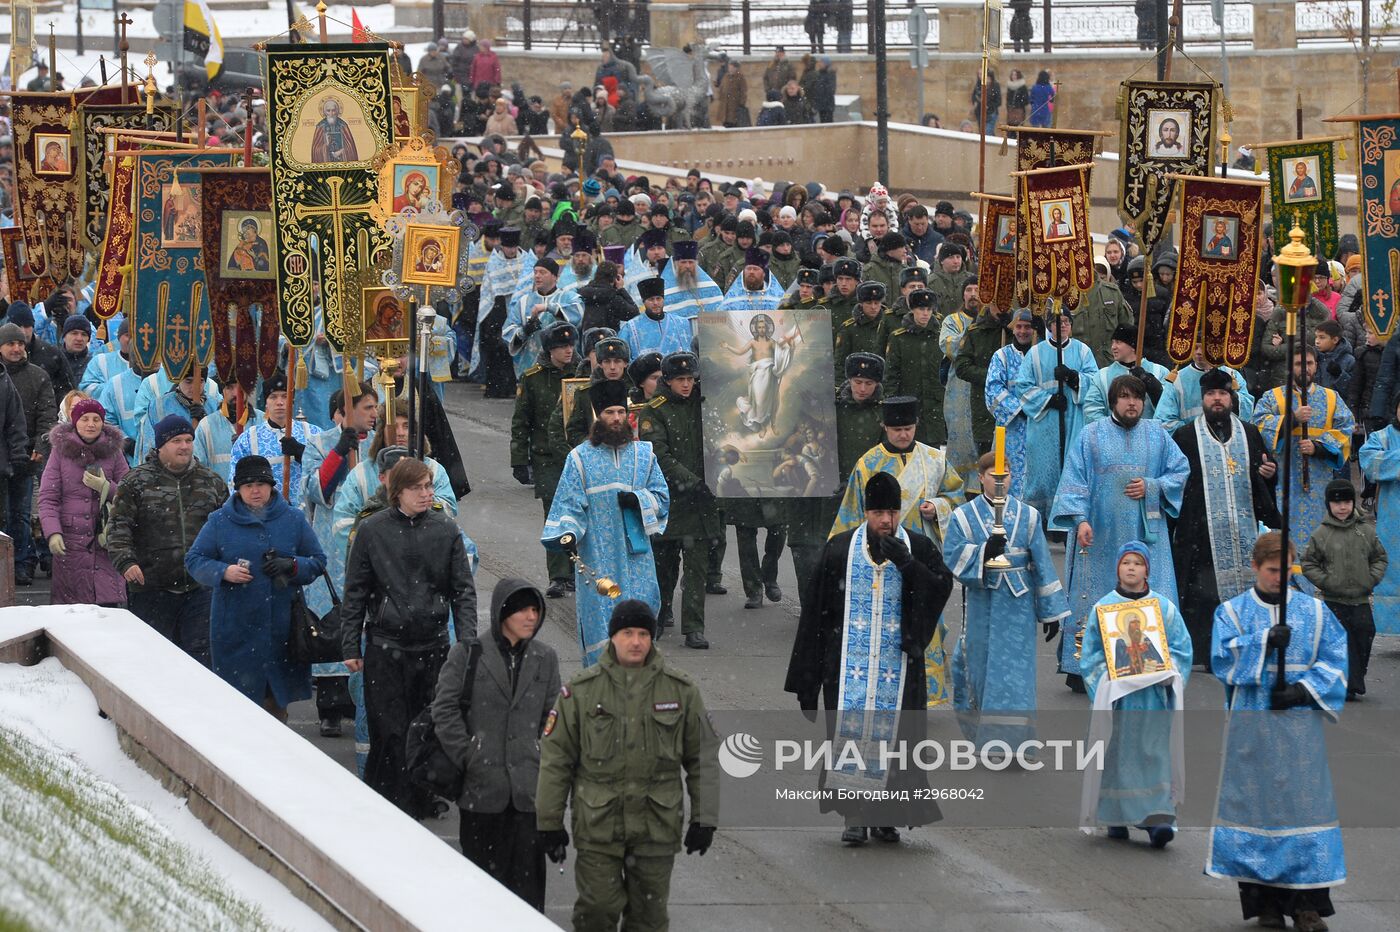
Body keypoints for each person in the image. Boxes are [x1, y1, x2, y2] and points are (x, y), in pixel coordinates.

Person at [786, 471, 954, 844]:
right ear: (866, 511)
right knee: (849, 739)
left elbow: (942, 587)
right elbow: (815, 613)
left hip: (900, 669)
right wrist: (807, 680)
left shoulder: (918, 548)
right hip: (847, 670)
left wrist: (909, 566)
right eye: (878, 512)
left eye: (892, 512)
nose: (886, 521)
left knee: (899, 742)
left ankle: (887, 815)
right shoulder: (841, 550)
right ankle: (855, 816)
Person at [536, 599, 719, 928]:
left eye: (643, 634)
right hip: (598, 825)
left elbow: (702, 757)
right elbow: (556, 758)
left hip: (656, 827)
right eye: (627, 633)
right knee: (596, 910)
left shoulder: (681, 690)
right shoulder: (581, 691)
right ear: (613, 637)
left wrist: (705, 819)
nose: (636, 642)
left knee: (648, 917)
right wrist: (549, 822)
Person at [1207, 531, 1348, 932]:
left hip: (1299, 726)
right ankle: (1264, 903)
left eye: (1286, 570)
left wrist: (1303, 690)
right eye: (1272, 571)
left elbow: (1336, 658)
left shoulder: (1315, 612)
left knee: (1302, 808)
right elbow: (1221, 658)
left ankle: (1308, 907)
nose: (1279, 578)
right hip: (1253, 722)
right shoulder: (1232, 613)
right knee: (1258, 808)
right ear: (1255, 568)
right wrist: (1263, 640)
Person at [341, 457, 478, 816]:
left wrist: (466, 644)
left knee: (426, 727)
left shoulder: (445, 530)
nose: (426, 494)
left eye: (429, 486)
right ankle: (389, 798)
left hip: (433, 643)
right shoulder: (373, 531)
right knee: (390, 729)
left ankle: (421, 796)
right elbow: (355, 590)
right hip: (386, 646)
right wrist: (349, 642)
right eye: (417, 488)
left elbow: (463, 590)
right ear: (396, 491)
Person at [1050, 375, 1190, 691]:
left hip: (1145, 535)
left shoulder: (1157, 435)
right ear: (1114, 401)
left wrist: (1153, 486)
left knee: (1150, 592)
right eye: (1125, 397)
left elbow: (1180, 471)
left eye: (1137, 398)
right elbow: (1074, 480)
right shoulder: (1091, 435)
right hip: (1100, 534)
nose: (1132, 403)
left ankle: (1149, 665)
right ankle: (1085, 665)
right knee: (1098, 594)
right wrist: (1081, 520)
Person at [431, 578, 560, 912]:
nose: (532, 617)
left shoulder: (546, 658)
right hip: (482, 795)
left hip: (528, 796)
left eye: (535, 610)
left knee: (528, 896)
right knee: (483, 894)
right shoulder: (468, 653)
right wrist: (469, 754)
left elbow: (555, 716)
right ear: (503, 613)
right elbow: (443, 709)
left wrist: (541, 754)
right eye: (523, 610)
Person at [185, 455, 327, 721]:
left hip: (282, 630)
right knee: (238, 708)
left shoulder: (293, 519)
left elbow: (318, 562)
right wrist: (223, 571)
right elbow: (194, 559)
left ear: (271, 486)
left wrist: (292, 566)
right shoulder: (219, 521)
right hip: (235, 629)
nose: (255, 490)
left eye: (261, 483)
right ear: (237, 487)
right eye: (248, 484)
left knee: (276, 705)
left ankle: (275, 757)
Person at [945, 453, 1069, 750]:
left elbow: (1041, 562)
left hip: (1018, 606)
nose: (1000, 481)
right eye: (994, 475)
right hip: (982, 603)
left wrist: (1051, 612)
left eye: (1006, 475)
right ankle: (986, 741)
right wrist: (983, 553)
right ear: (981, 477)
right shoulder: (963, 516)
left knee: (1017, 676)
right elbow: (952, 556)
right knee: (980, 669)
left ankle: (1016, 744)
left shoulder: (1028, 516)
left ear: (1013, 478)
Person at [542, 379, 670, 665]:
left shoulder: (645, 455)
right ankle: (601, 685)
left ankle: (641, 683)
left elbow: (662, 497)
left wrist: (639, 500)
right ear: (597, 416)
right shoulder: (579, 458)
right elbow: (569, 504)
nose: (615, 418)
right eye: (609, 413)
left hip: (636, 557)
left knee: (640, 615)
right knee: (600, 621)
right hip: (596, 557)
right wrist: (568, 533)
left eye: (620, 412)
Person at [1079, 542, 1191, 846]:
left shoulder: (1164, 609)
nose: (1131, 568)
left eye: (1138, 563)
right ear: (1117, 567)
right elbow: (1090, 655)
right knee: (1116, 755)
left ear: (1147, 570)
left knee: (1153, 754)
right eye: (1126, 562)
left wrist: (1170, 673)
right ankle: (1116, 815)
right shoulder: (1103, 608)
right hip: (1119, 701)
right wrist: (1108, 678)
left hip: (1153, 698)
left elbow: (1181, 648)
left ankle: (1158, 818)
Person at [1170, 368, 1280, 664]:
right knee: (1201, 593)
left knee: (1244, 588)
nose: (1217, 399)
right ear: (1202, 398)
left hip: (1242, 529)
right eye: (1210, 394)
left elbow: (1265, 474)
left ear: (1231, 397)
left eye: (1222, 393)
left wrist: (1270, 474)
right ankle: (1205, 652)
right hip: (1200, 531)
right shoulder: (1185, 435)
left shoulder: (1250, 433)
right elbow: (1174, 482)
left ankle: (1244, 645)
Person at [106, 415, 230, 665]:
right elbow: (118, 527)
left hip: (200, 589)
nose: (184, 446)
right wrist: (127, 562)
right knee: (154, 661)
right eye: (176, 440)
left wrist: (224, 569)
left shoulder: (211, 482)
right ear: (161, 445)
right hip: (151, 588)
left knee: (200, 660)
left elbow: (227, 530)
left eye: (188, 440)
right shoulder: (135, 482)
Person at [299, 381, 378, 736]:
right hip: (333, 543)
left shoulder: (382, 444)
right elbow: (314, 489)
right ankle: (330, 705)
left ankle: (360, 698)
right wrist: (338, 452)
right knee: (332, 621)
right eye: (366, 408)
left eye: (376, 407)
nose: (374, 414)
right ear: (343, 412)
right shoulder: (319, 443)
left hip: (374, 540)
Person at [640, 352, 722, 650]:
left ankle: (694, 628)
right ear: (668, 380)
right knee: (664, 567)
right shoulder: (655, 410)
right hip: (669, 500)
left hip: (701, 502)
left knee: (697, 568)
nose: (687, 385)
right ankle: (660, 616)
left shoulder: (706, 406)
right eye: (680, 380)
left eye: (690, 379)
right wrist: (691, 482)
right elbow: (658, 455)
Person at [1253, 344, 1355, 553]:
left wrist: (1318, 448)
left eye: (1309, 363)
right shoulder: (1272, 397)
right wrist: (1293, 420)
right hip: (1283, 482)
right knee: (1282, 544)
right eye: (1299, 364)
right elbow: (1259, 426)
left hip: (1318, 484)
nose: (1304, 368)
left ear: (1316, 366)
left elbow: (1346, 428)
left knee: (1317, 543)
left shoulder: (1331, 397)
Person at [38, 397, 129, 606]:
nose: (90, 424)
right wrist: (53, 532)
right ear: (75, 421)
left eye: (96, 419)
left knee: (107, 613)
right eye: (85, 419)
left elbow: (130, 494)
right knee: (71, 617)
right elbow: (48, 497)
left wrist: (107, 487)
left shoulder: (114, 452)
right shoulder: (60, 452)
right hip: (71, 544)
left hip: (105, 542)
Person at [1300, 480, 1385, 701]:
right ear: (1329, 505)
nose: (1342, 507)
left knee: (1365, 635)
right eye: (1337, 503)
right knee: (1340, 642)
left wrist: (1370, 579)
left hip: (1361, 598)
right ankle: (1349, 683)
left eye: (1347, 501)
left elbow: (1380, 558)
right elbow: (1308, 563)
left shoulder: (1365, 531)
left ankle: (1357, 675)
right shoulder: (1321, 534)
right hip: (1334, 599)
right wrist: (1326, 581)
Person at [511, 322, 579, 598]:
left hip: (577, 454)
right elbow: (521, 421)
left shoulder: (583, 375)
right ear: (550, 350)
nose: (568, 351)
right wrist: (519, 458)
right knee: (556, 515)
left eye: (571, 345)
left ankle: (579, 570)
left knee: (580, 513)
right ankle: (559, 575)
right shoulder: (533, 378)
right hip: (546, 457)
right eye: (562, 347)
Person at [1011, 309, 1098, 518]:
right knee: (1042, 473)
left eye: (1067, 322)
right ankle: (1040, 518)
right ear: (1050, 326)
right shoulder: (1036, 352)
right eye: (1059, 322)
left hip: (1073, 418)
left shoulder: (1083, 351)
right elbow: (1022, 386)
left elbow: (1094, 382)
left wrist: (1073, 378)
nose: (1063, 326)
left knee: (1072, 466)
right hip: (1044, 421)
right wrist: (1048, 400)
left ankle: (1067, 515)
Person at [0, 321, 56, 585]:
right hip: (2, 456)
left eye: (20, 343)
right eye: (10, 343)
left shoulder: (38, 376)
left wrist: (40, 445)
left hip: (26, 455)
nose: (16, 348)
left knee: (21, 513)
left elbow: (47, 416)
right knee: (4, 514)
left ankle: (22, 563)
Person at [227, 371, 316, 506]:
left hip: (306, 512)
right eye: (273, 397)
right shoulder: (248, 439)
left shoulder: (312, 433)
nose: (279, 402)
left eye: (285, 396)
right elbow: (235, 482)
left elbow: (327, 472)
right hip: (264, 515)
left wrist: (302, 453)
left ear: (292, 400)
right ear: (266, 403)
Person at [883, 290, 948, 448]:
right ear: (912, 310)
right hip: (909, 403)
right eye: (921, 309)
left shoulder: (941, 336)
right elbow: (891, 374)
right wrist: (892, 405)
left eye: (929, 309)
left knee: (933, 454)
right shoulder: (898, 338)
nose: (925, 314)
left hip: (936, 406)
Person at [985, 308, 1036, 495]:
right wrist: (1019, 409)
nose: (1023, 331)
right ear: (1013, 328)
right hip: (1011, 430)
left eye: (1028, 327)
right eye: (1019, 326)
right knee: (1008, 477)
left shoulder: (1041, 354)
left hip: (1037, 426)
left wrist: (1037, 407)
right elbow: (993, 390)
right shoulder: (1001, 356)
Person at [1154, 343, 1255, 434]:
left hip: (1228, 439)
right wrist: (1193, 433)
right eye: (1195, 347)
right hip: (1191, 443)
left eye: (1204, 347)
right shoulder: (1177, 379)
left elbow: (1247, 412)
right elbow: (1164, 420)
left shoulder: (1232, 376)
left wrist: (1233, 397)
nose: (1199, 352)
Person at [1084, 325, 1169, 423]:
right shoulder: (1102, 376)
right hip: (1112, 437)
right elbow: (1091, 410)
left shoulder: (1160, 371)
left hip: (1147, 436)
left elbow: (1167, 409)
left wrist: (1151, 383)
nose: (1113, 347)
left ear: (1133, 346)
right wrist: (1112, 428)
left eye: (1118, 342)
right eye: (1112, 342)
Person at [619, 276, 693, 358]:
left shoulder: (681, 323)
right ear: (644, 302)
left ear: (663, 299)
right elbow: (624, 359)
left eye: (658, 298)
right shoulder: (630, 328)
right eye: (651, 299)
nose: (655, 303)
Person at [310, 96, 359, 163]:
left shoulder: (343, 125)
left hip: (342, 163)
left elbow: (351, 148)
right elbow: (315, 150)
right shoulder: (320, 126)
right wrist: (326, 145)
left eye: (333, 110)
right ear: (324, 112)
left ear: (337, 111)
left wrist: (341, 151)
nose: (331, 114)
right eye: (328, 111)